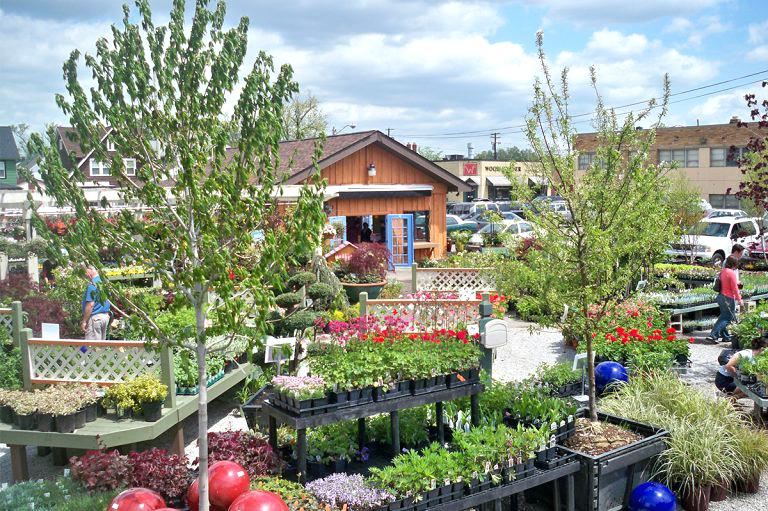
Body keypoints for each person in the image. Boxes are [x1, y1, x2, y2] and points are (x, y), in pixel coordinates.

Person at [706, 255, 743, 344]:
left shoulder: (723, 271)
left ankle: (725, 336)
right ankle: (713, 335)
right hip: (728, 298)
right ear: (734, 264)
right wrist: (740, 300)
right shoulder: (731, 273)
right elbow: (735, 288)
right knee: (727, 318)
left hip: (721, 296)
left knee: (724, 316)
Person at [81, 267, 111, 340]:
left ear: (90, 271)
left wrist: (84, 321)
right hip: (105, 317)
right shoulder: (104, 284)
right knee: (100, 346)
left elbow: (90, 305)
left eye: (85, 272)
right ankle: (80, 351)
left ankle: (80, 351)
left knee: (91, 347)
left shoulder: (92, 285)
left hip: (95, 319)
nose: (85, 275)